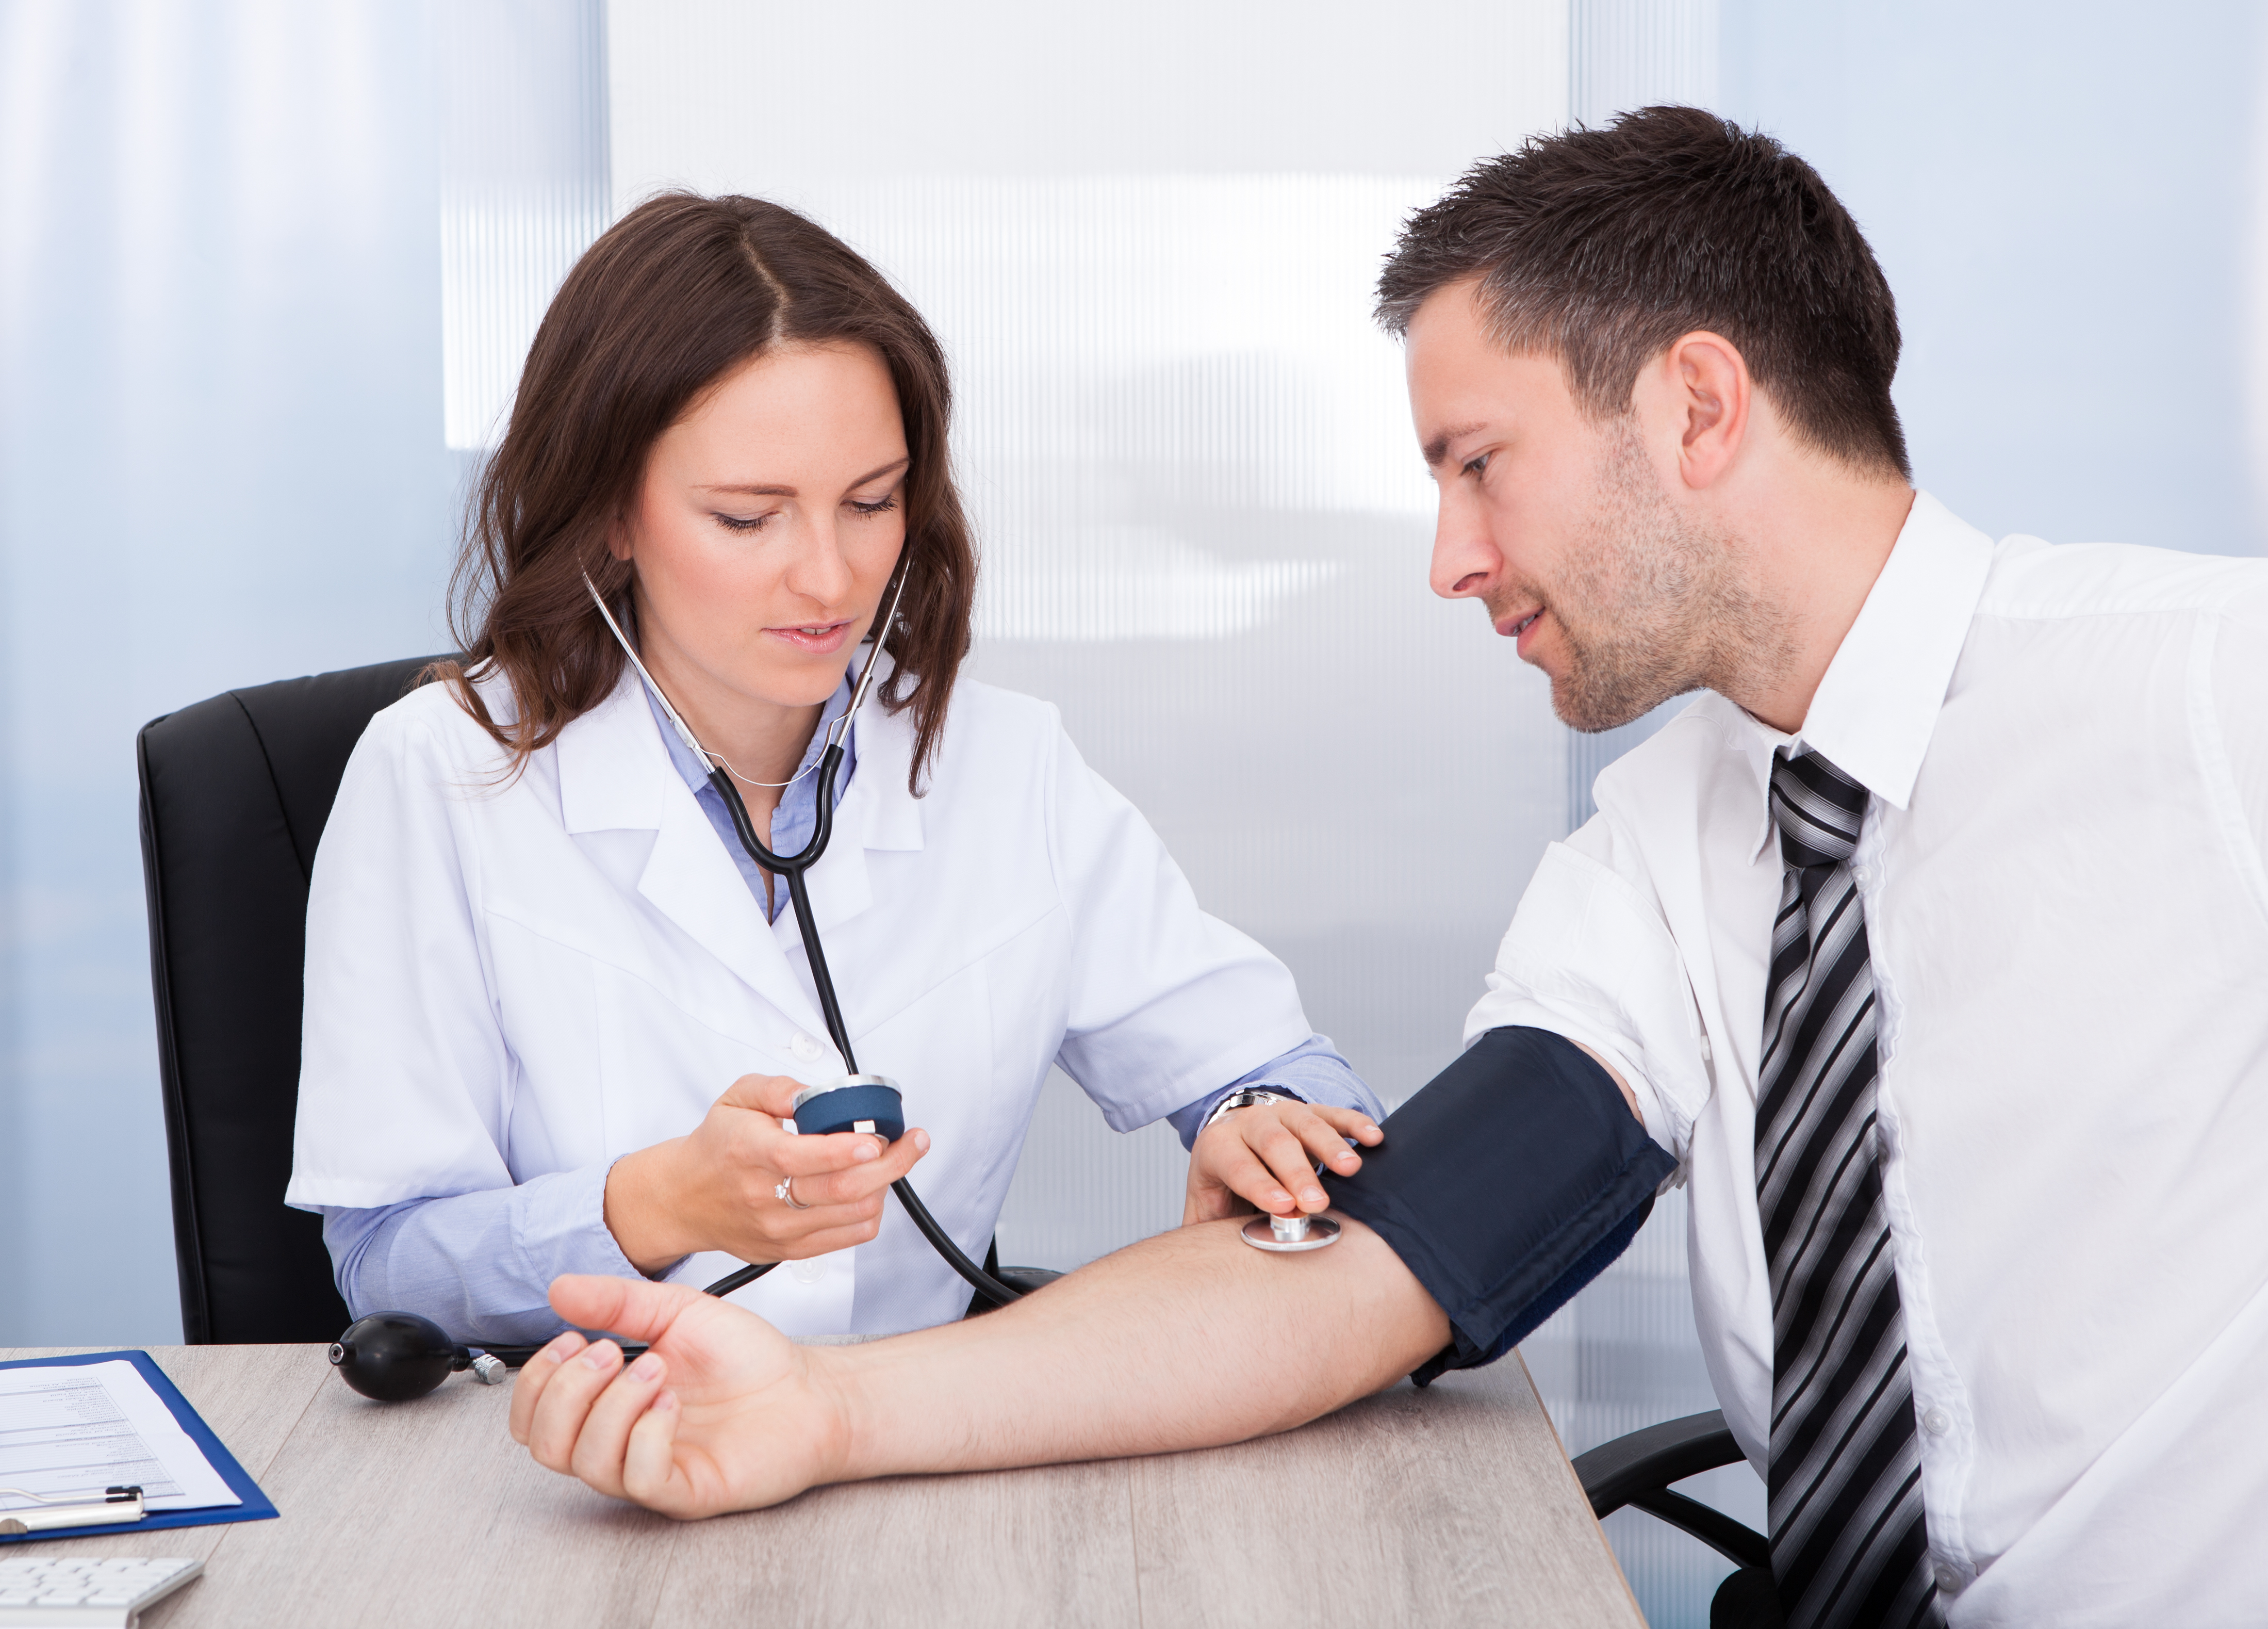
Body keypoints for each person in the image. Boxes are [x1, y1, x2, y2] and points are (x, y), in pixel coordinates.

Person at [502, 110, 2268, 1629]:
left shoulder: (2198, 691)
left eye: (1476, 465)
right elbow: (1365, 1264)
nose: (1446, 557)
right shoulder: (1657, 857)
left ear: (1698, 407)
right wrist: (820, 1408)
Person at [283, 193, 1385, 1346]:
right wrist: (658, 1203)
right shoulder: (443, 776)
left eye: (871, 502)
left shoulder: (1004, 767)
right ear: (612, 508)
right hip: (586, 1476)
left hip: (907, 1455)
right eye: (749, 519)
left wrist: (1257, 1117)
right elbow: (388, 1269)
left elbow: (1277, 1066)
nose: (829, 578)